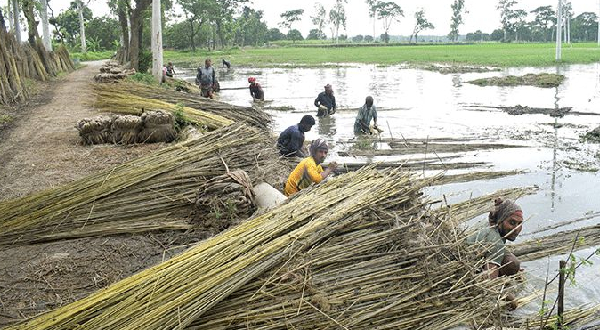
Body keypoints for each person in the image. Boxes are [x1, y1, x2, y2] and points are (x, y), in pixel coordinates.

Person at [467, 198, 524, 279]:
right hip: (468, 266)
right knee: (512, 264)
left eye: (519, 223)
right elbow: (489, 281)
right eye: (512, 223)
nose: (516, 229)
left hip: (472, 258)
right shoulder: (496, 242)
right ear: (500, 220)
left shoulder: (487, 224)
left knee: (512, 262)